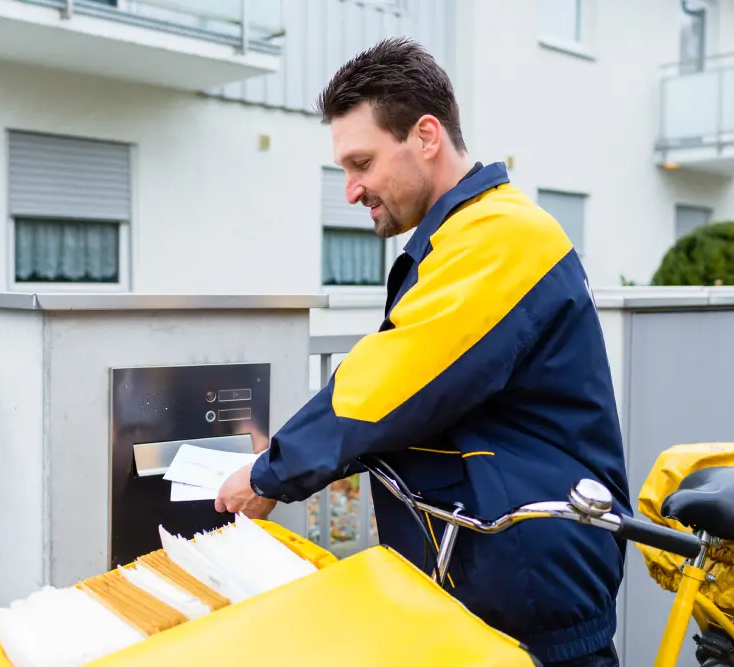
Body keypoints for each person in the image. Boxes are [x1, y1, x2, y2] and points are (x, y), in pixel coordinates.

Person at [215, 36, 630, 667]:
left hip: (527, 584)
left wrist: (272, 472)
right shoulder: (465, 237)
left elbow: (393, 385)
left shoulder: (502, 238)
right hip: (497, 569)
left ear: (426, 136)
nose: (351, 190)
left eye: (361, 163)